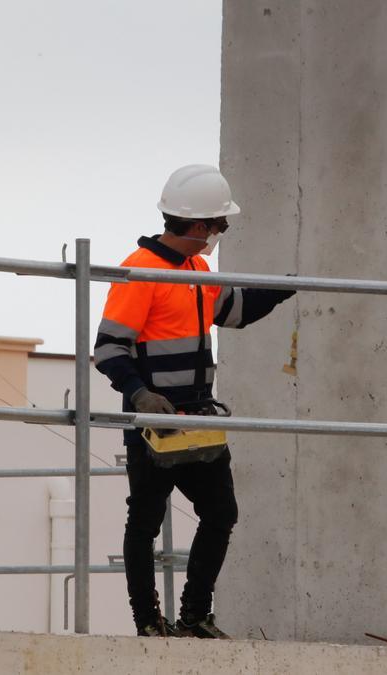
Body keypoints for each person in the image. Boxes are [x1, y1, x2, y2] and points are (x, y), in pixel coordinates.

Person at [94, 164, 294, 637]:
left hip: (199, 415)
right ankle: (148, 621)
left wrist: (286, 287)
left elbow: (234, 311)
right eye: (221, 224)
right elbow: (108, 349)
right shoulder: (140, 271)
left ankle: (194, 616)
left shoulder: (197, 269)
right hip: (154, 419)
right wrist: (141, 393)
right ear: (201, 225)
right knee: (144, 523)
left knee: (221, 513)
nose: (221, 233)